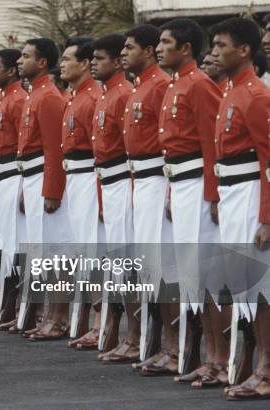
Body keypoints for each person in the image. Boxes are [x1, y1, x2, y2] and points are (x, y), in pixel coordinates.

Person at [156, 18, 227, 384]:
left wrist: (213, 195)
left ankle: (220, 359)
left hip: (199, 185)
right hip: (180, 185)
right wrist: (170, 192)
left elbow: (212, 144)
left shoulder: (199, 84)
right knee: (191, 275)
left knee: (209, 275)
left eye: (167, 42)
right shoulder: (175, 84)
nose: (159, 47)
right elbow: (173, 150)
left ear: (186, 48)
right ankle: (208, 356)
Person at [210, 17, 270, 401]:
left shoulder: (257, 95)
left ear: (244, 49)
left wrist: (267, 217)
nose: (213, 53)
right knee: (244, 285)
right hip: (232, 195)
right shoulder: (231, 91)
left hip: (251, 193)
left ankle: (266, 368)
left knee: (261, 286)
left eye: (220, 45)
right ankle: (254, 362)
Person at [120, 24, 173, 374]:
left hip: (158, 179)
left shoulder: (159, 86)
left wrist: (168, 190)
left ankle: (173, 344)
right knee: (147, 266)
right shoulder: (143, 86)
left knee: (163, 267)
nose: (125, 53)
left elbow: (173, 145)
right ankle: (156, 340)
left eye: (130, 47)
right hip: (139, 179)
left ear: (149, 52)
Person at [89, 33, 138, 363]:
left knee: (130, 265)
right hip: (107, 182)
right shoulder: (108, 95)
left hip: (125, 183)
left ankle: (137, 337)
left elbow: (132, 150)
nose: (94, 62)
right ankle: (127, 334)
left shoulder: (124, 94)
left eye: (100, 57)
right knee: (116, 265)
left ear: (118, 62)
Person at [15, 38, 67, 332]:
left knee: (54, 251)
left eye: (26, 56)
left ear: (43, 62)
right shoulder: (35, 93)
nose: (20, 61)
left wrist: (52, 190)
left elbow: (53, 149)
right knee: (40, 249)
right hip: (32, 177)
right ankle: (48, 314)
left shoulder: (48, 96)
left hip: (44, 179)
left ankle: (57, 317)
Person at [60, 37, 104, 348]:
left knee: (95, 251)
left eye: (68, 59)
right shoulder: (74, 97)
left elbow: (103, 152)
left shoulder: (93, 98)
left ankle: (103, 323)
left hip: (91, 177)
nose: (61, 64)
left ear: (85, 63)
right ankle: (94, 321)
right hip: (74, 177)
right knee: (82, 251)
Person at [0, 48, 27, 329]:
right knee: (4, 241)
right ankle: (9, 304)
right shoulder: (6, 99)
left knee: (17, 245)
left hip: (16, 175)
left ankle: (22, 308)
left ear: (11, 70)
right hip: (0, 175)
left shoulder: (19, 100)